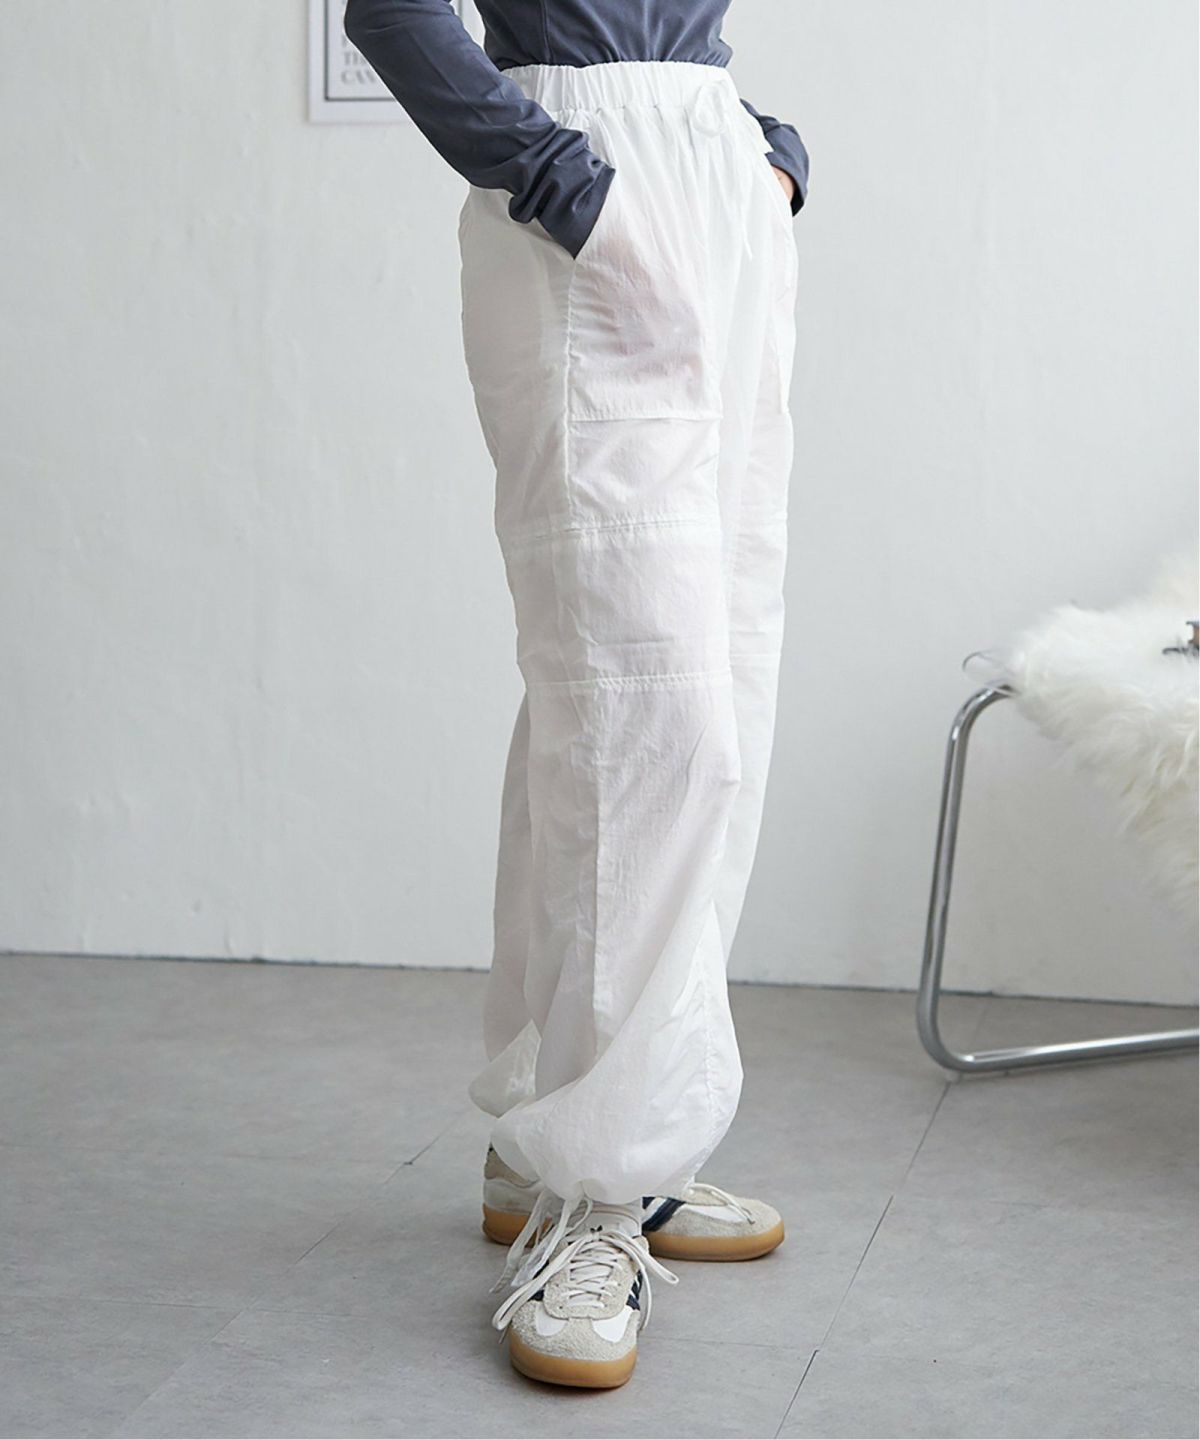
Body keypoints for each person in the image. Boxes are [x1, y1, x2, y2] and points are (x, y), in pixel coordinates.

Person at [342, 0, 807, 1390]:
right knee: (646, 715)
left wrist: (758, 148)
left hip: (714, 191)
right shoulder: (567, 175)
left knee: (689, 680)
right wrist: (567, 177)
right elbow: (391, 12)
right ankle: (593, 1194)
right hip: (580, 195)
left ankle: (579, 1139)